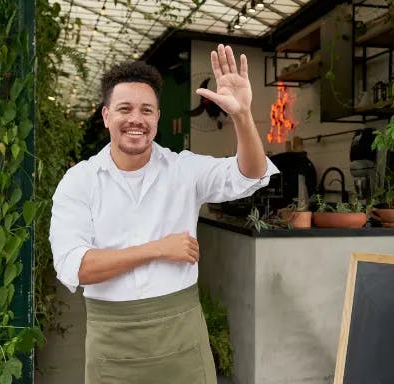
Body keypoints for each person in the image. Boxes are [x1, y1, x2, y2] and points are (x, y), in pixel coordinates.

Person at [49, 44, 278, 384]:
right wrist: (157, 249)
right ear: (106, 115)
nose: (136, 119)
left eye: (147, 110)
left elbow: (250, 174)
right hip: (113, 342)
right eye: (125, 108)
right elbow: (77, 267)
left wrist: (242, 115)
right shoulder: (80, 181)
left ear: (157, 117)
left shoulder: (183, 169)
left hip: (181, 335)